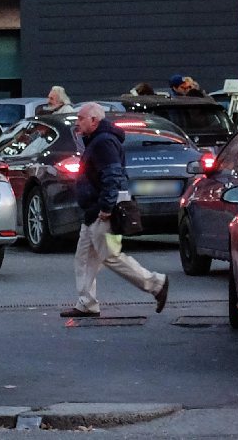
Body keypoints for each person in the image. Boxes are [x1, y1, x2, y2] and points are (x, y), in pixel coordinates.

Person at [61, 103, 169, 318]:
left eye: (81, 118)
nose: (77, 122)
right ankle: (86, 303)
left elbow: (112, 175)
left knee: (110, 256)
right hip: (94, 209)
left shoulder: (103, 143)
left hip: (102, 209)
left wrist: (106, 207)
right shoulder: (98, 140)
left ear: (94, 120)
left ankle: (156, 284)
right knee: (84, 257)